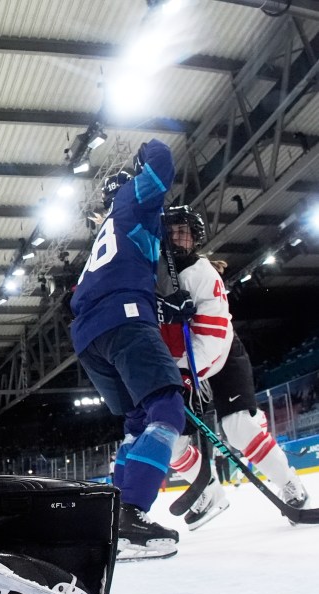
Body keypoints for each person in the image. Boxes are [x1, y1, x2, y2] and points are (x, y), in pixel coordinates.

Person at [159, 205, 310, 529]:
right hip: (185, 364)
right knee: (170, 443)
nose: (175, 237)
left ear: (195, 237)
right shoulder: (156, 274)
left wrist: (185, 373)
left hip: (222, 354)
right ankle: (211, 493)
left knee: (239, 428)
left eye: (182, 230)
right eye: (169, 231)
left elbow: (214, 340)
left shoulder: (202, 275)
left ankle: (290, 483)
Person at [70, 140, 186, 560]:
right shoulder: (130, 201)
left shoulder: (108, 228)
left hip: (88, 334)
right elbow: (161, 164)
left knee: (137, 420)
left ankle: (115, 515)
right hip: (122, 318)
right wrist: (148, 149)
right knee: (168, 410)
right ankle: (133, 515)